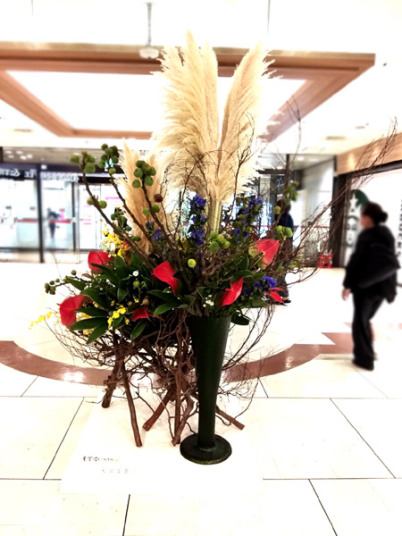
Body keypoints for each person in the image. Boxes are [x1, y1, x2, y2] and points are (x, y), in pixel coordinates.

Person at [342, 202, 399, 370]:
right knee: (364, 319)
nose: (360, 219)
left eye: (362, 216)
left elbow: (356, 261)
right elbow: (389, 263)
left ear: (368, 218)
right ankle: (368, 352)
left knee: (360, 322)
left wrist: (348, 284)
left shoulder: (366, 236)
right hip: (382, 287)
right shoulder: (387, 234)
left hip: (365, 287)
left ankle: (364, 359)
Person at [276, 201, 294, 304]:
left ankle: (282, 296)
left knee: (279, 273)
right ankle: (282, 296)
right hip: (287, 247)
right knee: (280, 273)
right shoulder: (288, 218)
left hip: (283, 248)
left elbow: (279, 233)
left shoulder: (282, 218)